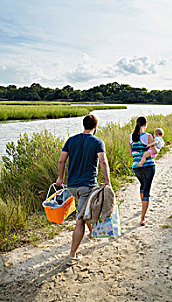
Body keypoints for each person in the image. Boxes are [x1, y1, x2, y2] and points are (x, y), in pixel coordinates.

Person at [56, 114, 111, 265]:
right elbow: (103, 162)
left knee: (84, 209)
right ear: (95, 127)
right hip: (87, 185)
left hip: (72, 186)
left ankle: (93, 234)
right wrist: (107, 182)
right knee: (80, 219)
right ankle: (72, 255)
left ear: (84, 125)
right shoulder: (98, 142)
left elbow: (61, 161)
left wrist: (60, 178)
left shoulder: (71, 140)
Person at [128, 116, 156, 226]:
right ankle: (142, 219)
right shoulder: (148, 136)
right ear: (146, 124)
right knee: (147, 191)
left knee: (142, 185)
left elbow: (131, 154)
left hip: (136, 167)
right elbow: (153, 152)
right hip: (148, 166)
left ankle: (142, 207)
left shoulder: (131, 136)